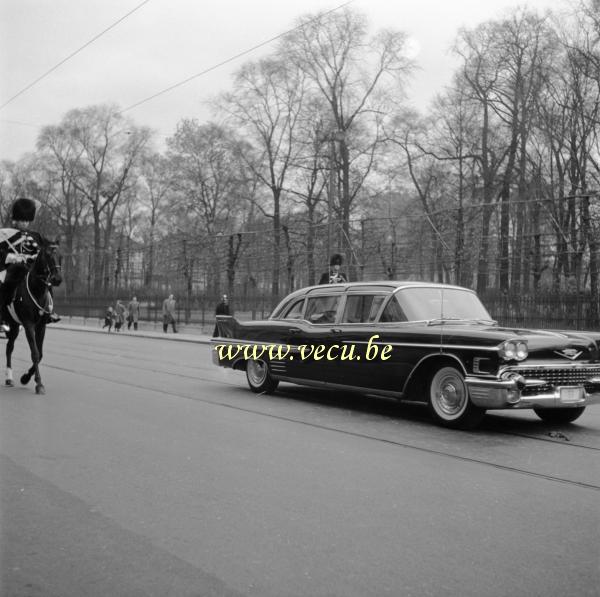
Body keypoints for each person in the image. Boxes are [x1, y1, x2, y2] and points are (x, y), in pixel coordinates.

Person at [0, 197, 60, 331]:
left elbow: (45, 249)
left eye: (27, 220)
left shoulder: (36, 236)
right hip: (14, 269)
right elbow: (1, 254)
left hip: (31, 269)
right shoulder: (5, 235)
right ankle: (2, 318)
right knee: (4, 285)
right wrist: (14, 257)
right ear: (15, 220)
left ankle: (49, 312)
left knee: (46, 283)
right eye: (22, 220)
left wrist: (52, 247)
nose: (25, 223)